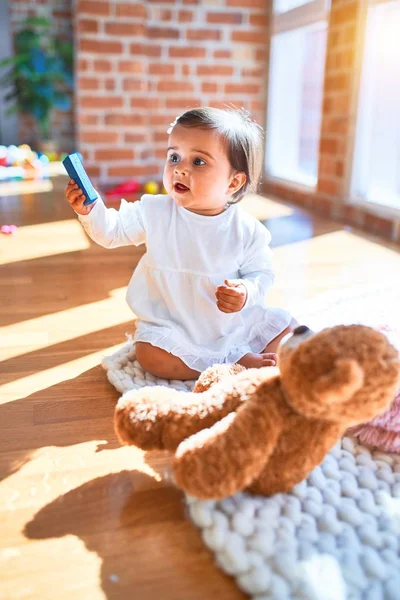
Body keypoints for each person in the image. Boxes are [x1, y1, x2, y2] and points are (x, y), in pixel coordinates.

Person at [66, 107, 297, 380]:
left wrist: (246, 291)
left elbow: (262, 274)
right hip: (175, 324)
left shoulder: (246, 230)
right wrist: (90, 211)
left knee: (290, 329)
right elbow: (112, 231)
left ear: (233, 182)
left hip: (230, 324)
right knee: (151, 356)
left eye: (198, 162)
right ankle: (235, 362)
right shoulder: (154, 212)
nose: (180, 169)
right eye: (174, 157)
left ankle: (237, 354)